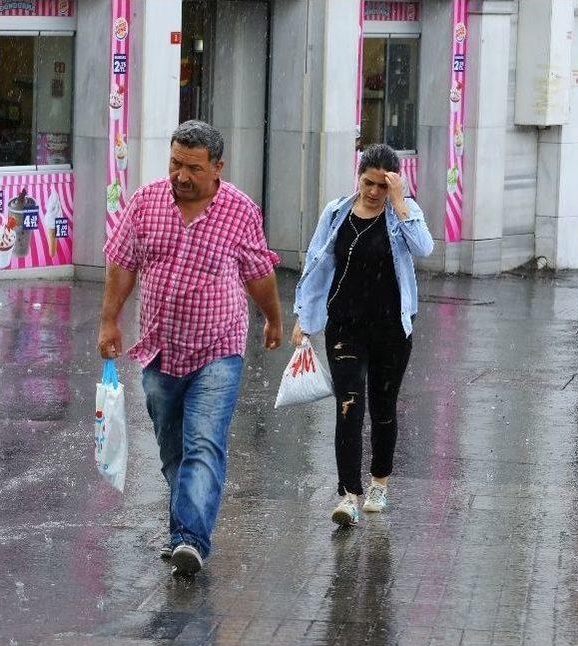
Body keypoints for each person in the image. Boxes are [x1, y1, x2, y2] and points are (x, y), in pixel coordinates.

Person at [97, 121, 282, 577]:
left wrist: (275, 318)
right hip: (160, 350)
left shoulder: (240, 211)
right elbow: (122, 264)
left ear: (217, 167)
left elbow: (258, 272)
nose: (181, 175)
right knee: (172, 449)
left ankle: (190, 540)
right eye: (175, 163)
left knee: (204, 443)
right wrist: (108, 320)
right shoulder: (146, 202)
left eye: (193, 168)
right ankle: (185, 524)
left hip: (219, 347)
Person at [291, 144, 433, 526]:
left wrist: (401, 202)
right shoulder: (337, 212)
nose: (373, 192)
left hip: (391, 329)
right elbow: (316, 262)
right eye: (368, 182)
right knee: (349, 407)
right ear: (359, 177)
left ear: (394, 184)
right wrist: (303, 318)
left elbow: (425, 247)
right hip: (345, 327)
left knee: (383, 409)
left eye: (382, 186)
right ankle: (348, 494)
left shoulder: (402, 214)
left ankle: (379, 483)